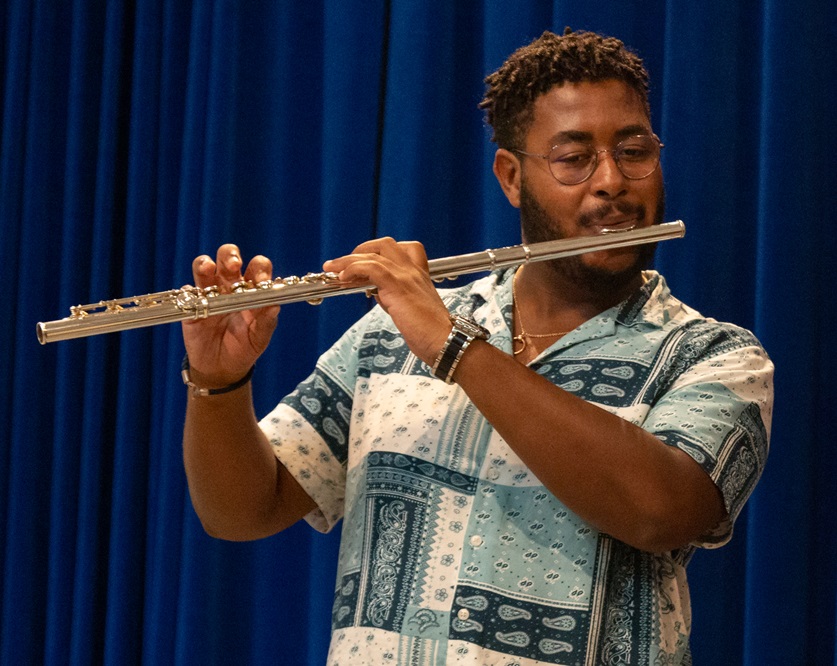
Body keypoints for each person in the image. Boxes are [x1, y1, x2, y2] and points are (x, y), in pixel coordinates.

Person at [180, 29, 773, 665]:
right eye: (574, 159)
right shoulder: (390, 334)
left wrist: (453, 346)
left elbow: (660, 512)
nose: (612, 182)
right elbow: (243, 510)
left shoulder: (714, 356)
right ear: (512, 176)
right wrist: (220, 383)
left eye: (634, 151)